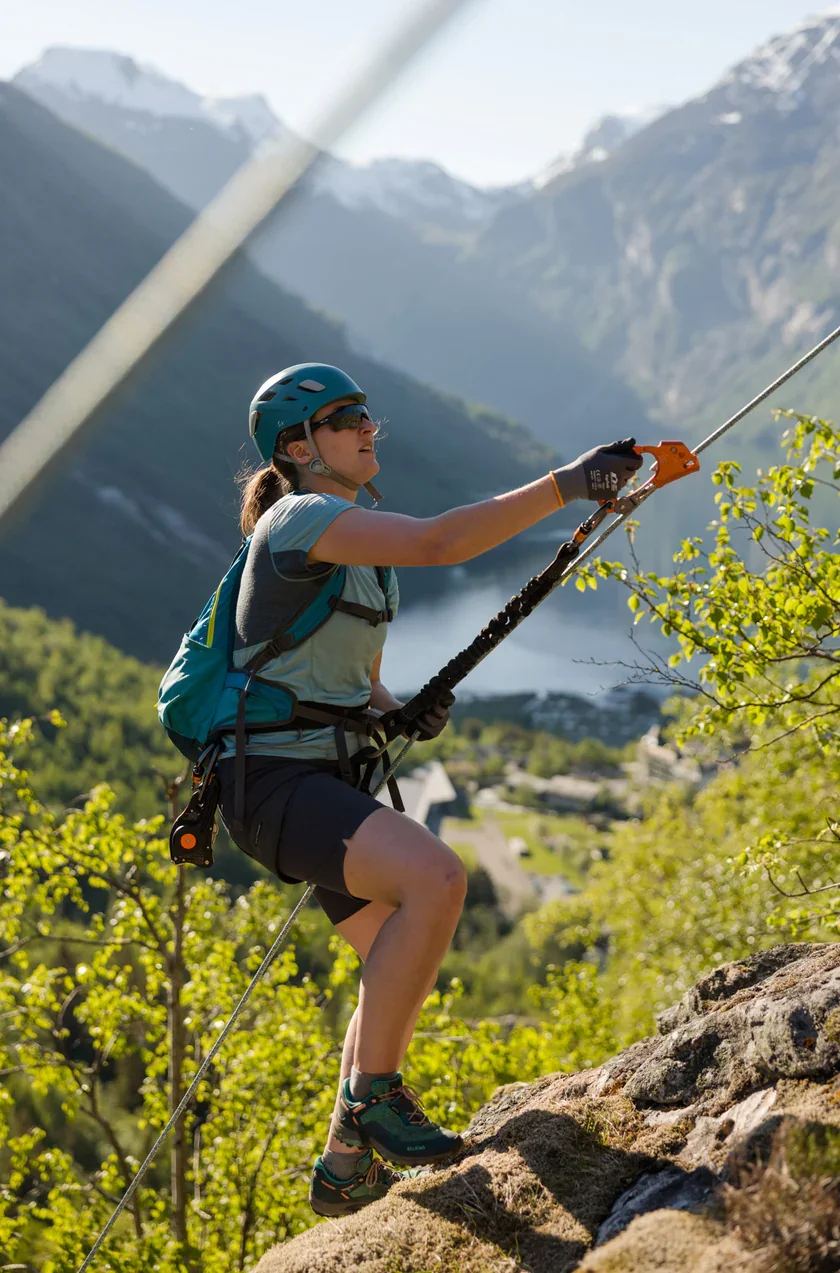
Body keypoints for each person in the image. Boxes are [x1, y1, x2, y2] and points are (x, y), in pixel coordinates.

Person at [215, 362, 642, 1216]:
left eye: (368, 412)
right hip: (272, 783)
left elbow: (356, 677)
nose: (370, 426)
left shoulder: (362, 547)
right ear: (298, 449)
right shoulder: (299, 518)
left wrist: (398, 709)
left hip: (323, 779)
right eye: (346, 418)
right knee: (437, 879)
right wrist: (567, 483)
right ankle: (373, 1097)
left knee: (391, 958)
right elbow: (444, 540)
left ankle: (345, 1166)